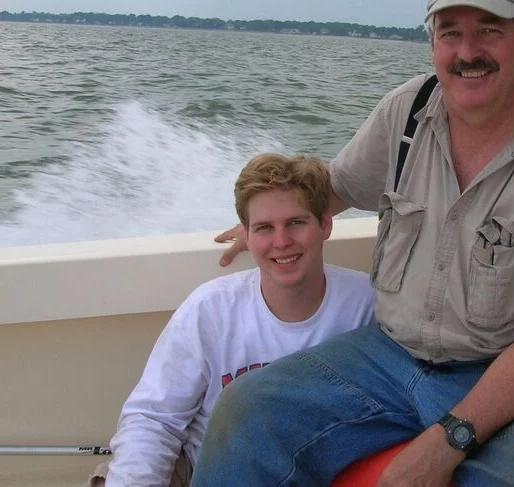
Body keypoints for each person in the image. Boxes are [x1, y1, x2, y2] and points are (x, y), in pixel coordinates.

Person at [196, 0, 514, 486]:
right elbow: (332, 188)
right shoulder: (407, 110)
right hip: (390, 356)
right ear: (433, 46)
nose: (468, 53)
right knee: (247, 413)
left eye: (489, 31)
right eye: (450, 34)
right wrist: (267, 222)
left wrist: (446, 442)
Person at [88, 153, 376, 487]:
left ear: (325, 224)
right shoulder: (209, 309)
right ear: (247, 235)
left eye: (296, 222)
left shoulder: (365, 305)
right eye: (264, 228)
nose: (282, 242)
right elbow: (154, 420)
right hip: (203, 469)